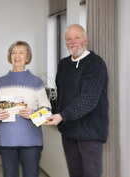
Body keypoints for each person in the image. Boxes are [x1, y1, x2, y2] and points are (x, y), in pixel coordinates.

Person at [45, 24, 108, 177]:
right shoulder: (63, 64)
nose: (73, 42)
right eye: (69, 39)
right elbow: (62, 96)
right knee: (75, 174)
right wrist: (52, 113)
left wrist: (62, 116)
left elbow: (89, 99)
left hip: (90, 133)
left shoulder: (95, 64)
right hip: (68, 131)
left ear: (85, 40)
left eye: (77, 37)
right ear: (65, 42)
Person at [0, 40, 51, 177]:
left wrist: (33, 114)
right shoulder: (0, 82)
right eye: (14, 53)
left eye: (21, 52)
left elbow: (47, 112)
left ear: (27, 57)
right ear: (10, 56)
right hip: (7, 140)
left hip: (31, 142)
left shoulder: (36, 82)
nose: (17, 56)